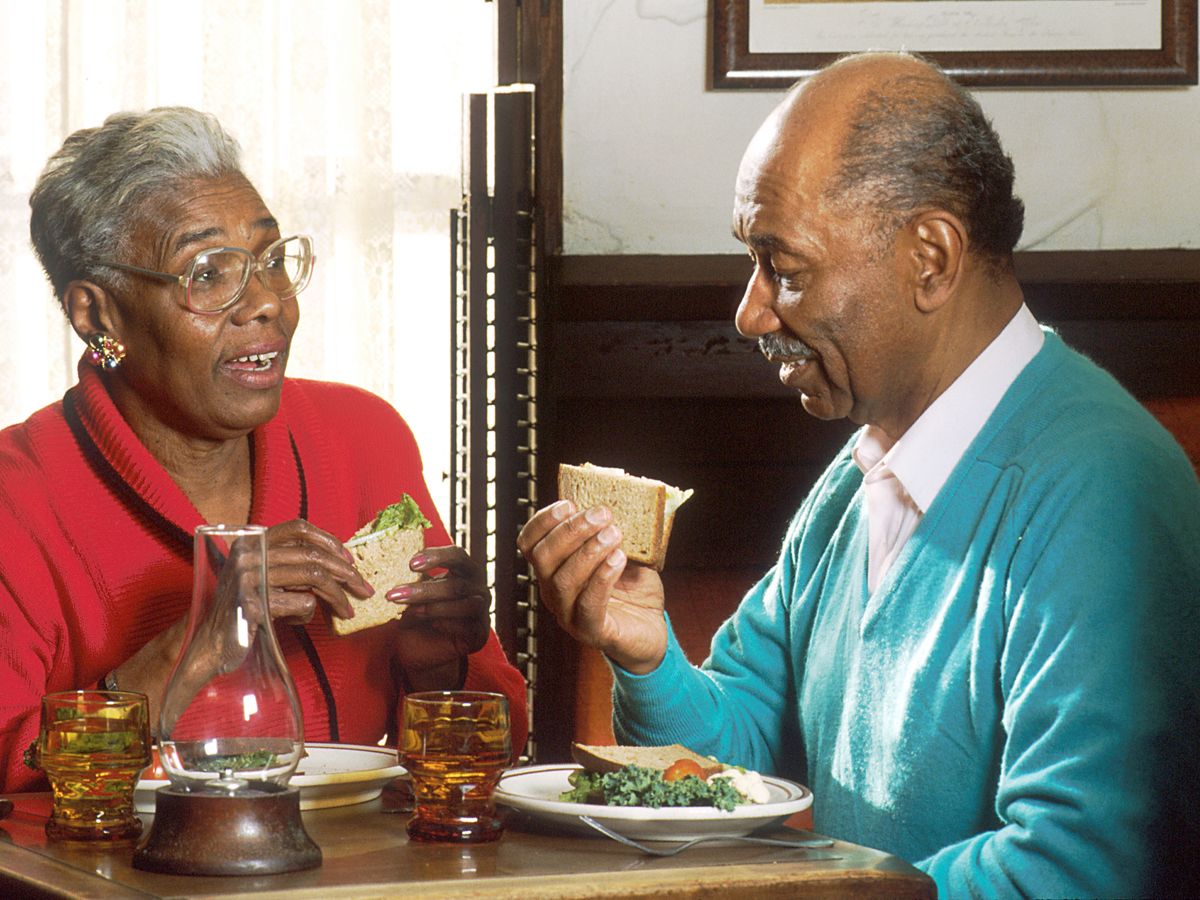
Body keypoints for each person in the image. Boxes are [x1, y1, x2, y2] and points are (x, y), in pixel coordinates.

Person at [518, 51, 1200, 897]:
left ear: (932, 259)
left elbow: (1079, 864)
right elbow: (729, 764)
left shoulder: (1108, 494)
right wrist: (648, 657)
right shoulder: (862, 472)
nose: (751, 311)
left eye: (786, 268)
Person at [0, 107, 527, 791]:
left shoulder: (364, 438)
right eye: (209, 273)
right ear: (97, 314)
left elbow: (504, 743)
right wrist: (191, 649)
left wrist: (434, 671)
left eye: (272, 261)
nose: (268, 303)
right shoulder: (19, 497)